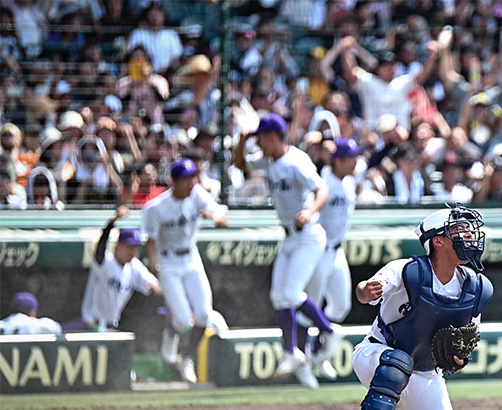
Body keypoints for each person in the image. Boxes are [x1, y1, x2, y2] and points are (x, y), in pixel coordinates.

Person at [350, 205, 492, 410]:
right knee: (397, 362)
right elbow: (364, 292)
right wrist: (365, 290)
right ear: (437, 240)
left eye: (469, 230)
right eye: (460, 230)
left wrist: (459, 358)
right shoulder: (407, 270)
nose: (470, 236)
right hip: (377, 355)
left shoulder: (476, 287)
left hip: (425, 371)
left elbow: (466, 343)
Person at [233, 113, 343, 383]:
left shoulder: (296, 161)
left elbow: (323, 191)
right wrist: (241, 141)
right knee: (278, 296)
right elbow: (241, 165)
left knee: (292, 293)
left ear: (272, 137)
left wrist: (309, 210)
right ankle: (291, 351)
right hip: (290, 237)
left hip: (308, 235)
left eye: (260, 138)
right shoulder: (270, 159)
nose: (258, 142)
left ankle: (329, 331)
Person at [141, 157, 228, 384]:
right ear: (174, 181)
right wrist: (153, 263)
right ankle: (171, 333)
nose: (190, 183)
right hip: (168, 262)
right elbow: (150, 240)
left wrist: (214, 216)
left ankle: (186, 359)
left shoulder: (197, 194)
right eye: (185, 179)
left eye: (192, 178)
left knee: (203, 314)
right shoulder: (156, 207)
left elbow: (216, 211)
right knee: (181, 318)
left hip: (191, 258)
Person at [302, 138, 363, 386]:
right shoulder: (323, 182)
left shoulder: (348, 181)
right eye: (351, 158)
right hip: (319, 250)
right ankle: (302, 360)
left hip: (337, 250)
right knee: (309, 309)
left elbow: (376, 159)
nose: (355, 162)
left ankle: (317, 351)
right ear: (337, 161)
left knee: (340, 305)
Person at [75, 206, 161, 332]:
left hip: (111, 326)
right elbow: (100, 248)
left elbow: (156, 286)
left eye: (136, 247)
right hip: (92, 325)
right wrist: (112, 223)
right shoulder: (106, 261)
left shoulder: (135, 266)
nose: (133, 251)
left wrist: (158, 284)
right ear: (118, 246)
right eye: (129, 246)